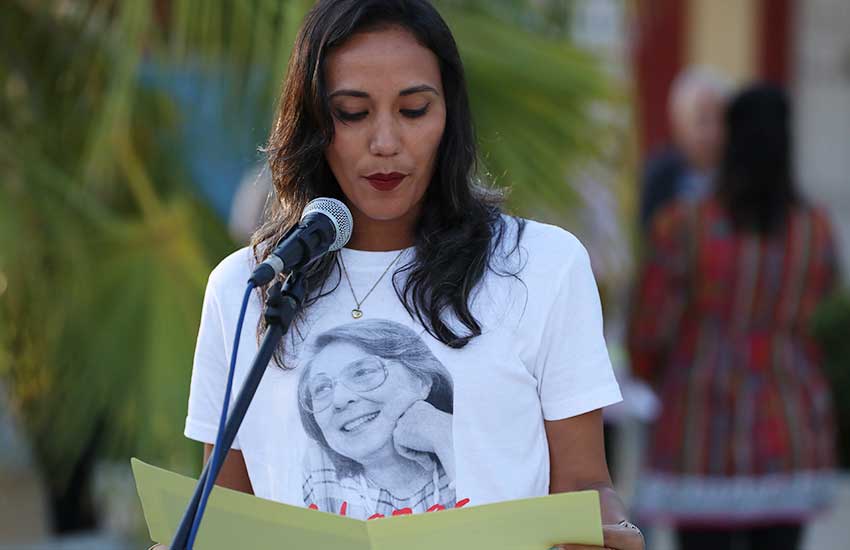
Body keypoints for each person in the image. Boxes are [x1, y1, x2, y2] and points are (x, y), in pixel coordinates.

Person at [180, 1, 643, 549]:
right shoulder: (246, 287)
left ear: (450, 117)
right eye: (352, 113)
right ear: (312, 123)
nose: (385, 142)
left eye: (414, 110)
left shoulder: (540, 265)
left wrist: (617, 532)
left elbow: (585, 488)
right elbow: (224, 519)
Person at [628, 84, 839, 550]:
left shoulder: (684, 226)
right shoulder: (816, 229)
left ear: (730, 140)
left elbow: (648, 330)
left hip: (700, 428)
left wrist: (664, 376)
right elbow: (824, 323)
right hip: (790, 427)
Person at [298, 319, 456, 517]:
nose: (339, 399)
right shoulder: (316, 468)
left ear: (421, 380)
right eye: (322, 388)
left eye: (362, 372)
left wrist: (445, 437)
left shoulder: (474, 435)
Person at [639, 67, 730, 231]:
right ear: (679, 124)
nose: (714, 133)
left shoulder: (739, 174)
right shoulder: (658, 176)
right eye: (703, 121)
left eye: (721, 120)